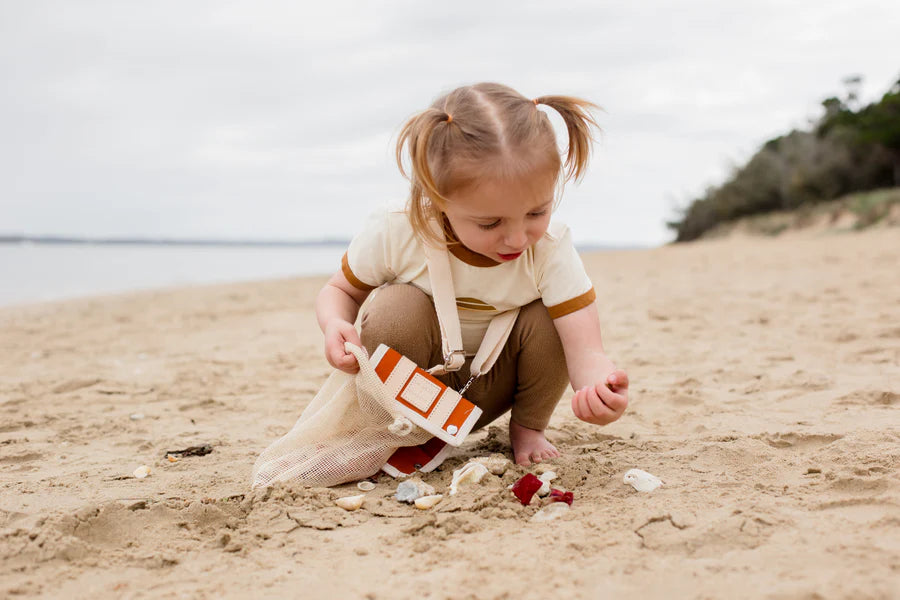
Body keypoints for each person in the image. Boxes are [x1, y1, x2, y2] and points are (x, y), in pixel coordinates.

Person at [315, 82, 628, 466]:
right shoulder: (397, 231)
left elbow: (585, 348)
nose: (517, 237)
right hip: (412, 384)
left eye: (536, 212)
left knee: (552, 316)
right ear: (438, 197)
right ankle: (403, 430)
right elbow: (340, 291)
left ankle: (528, 429)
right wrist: (334, 324)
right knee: (396, 306)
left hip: (494, 388)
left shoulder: (548, 247)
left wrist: (598, 387)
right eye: (490, 222)